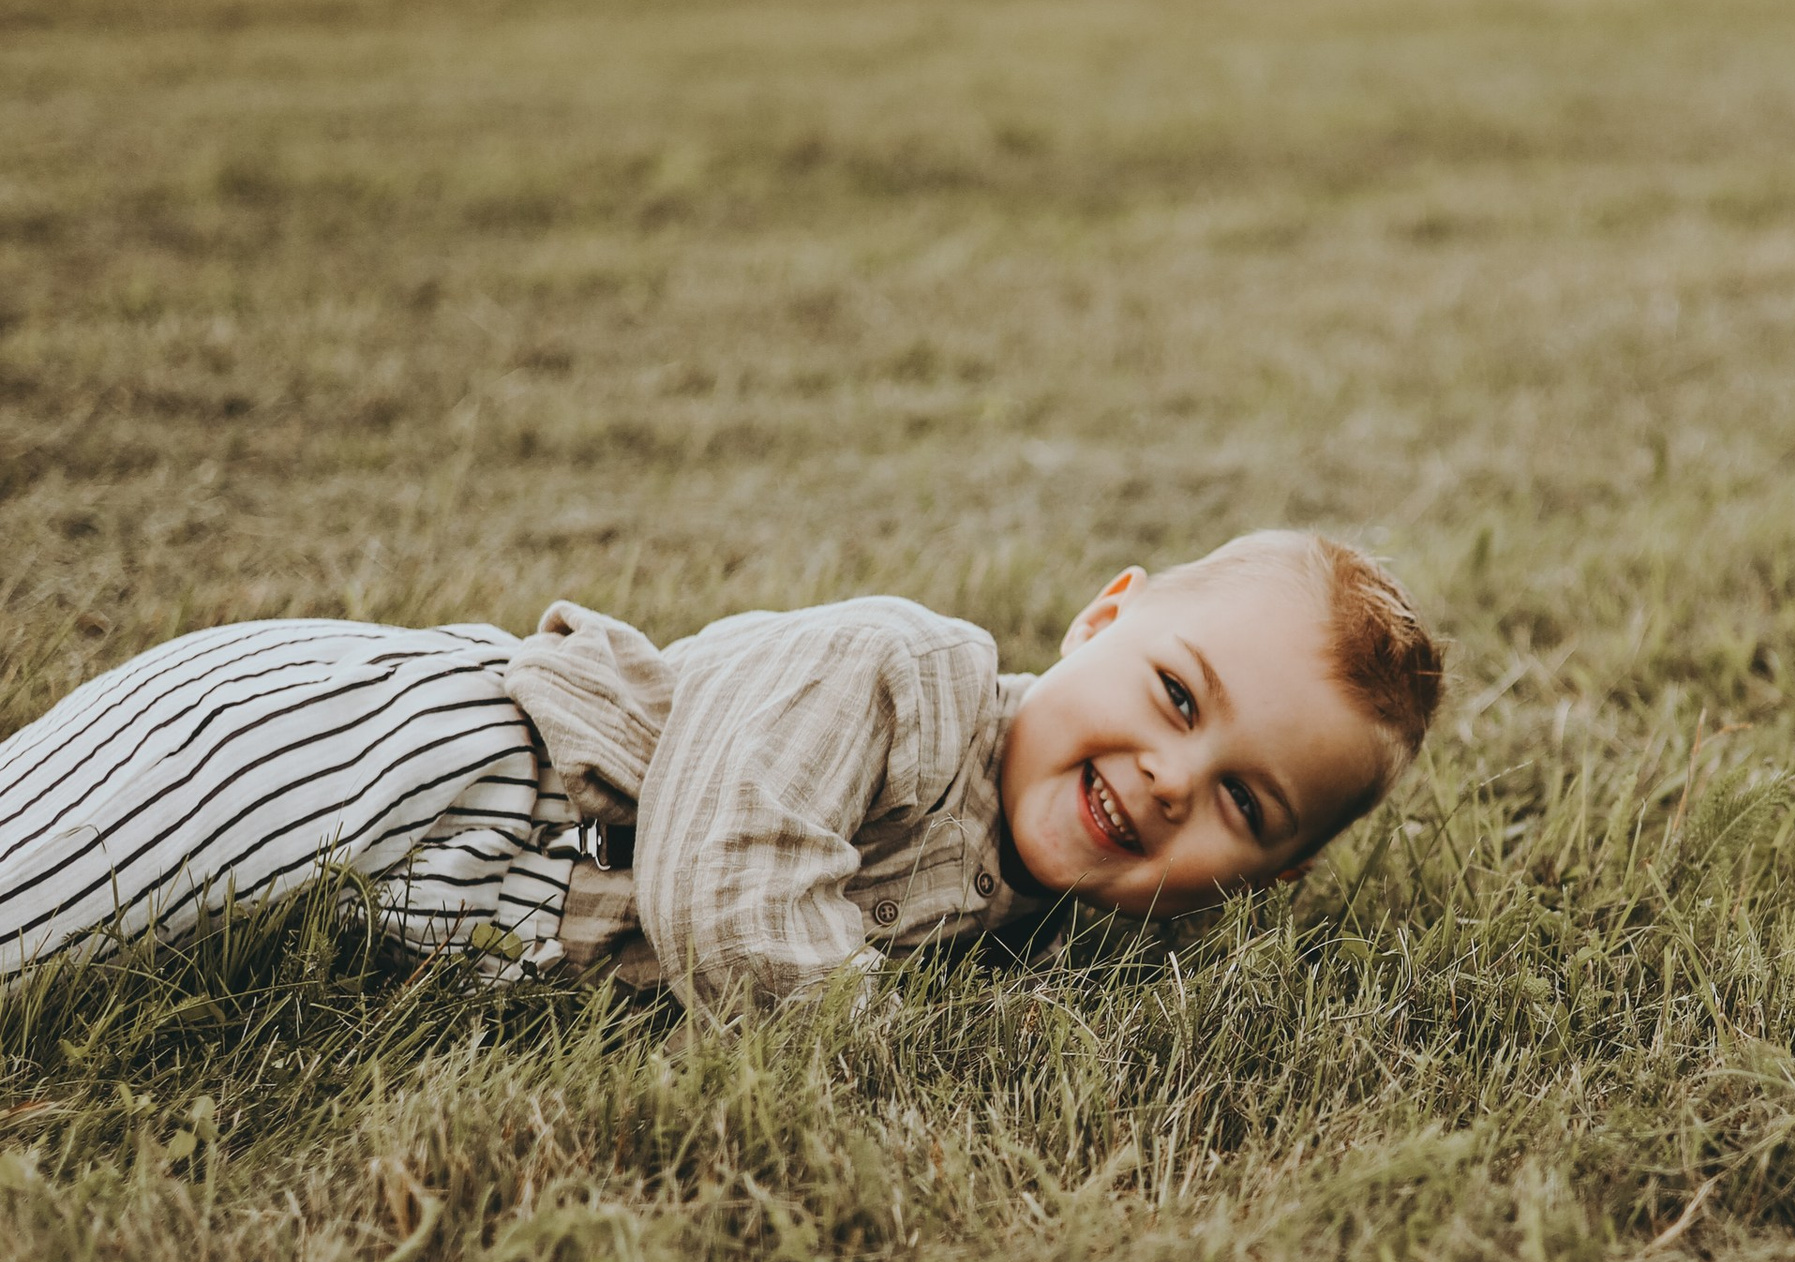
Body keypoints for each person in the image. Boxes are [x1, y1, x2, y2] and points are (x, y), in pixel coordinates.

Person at [0, 531, 1442, 1014]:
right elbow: (726, 875)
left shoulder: (1047, 912)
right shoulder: (900, 673)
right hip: (387, 755)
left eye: (1244, 802)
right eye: (1176, 694)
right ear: (1099, 620)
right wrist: (873, 1058)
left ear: (1270, 874)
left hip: (425, 889)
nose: (1172, 777)